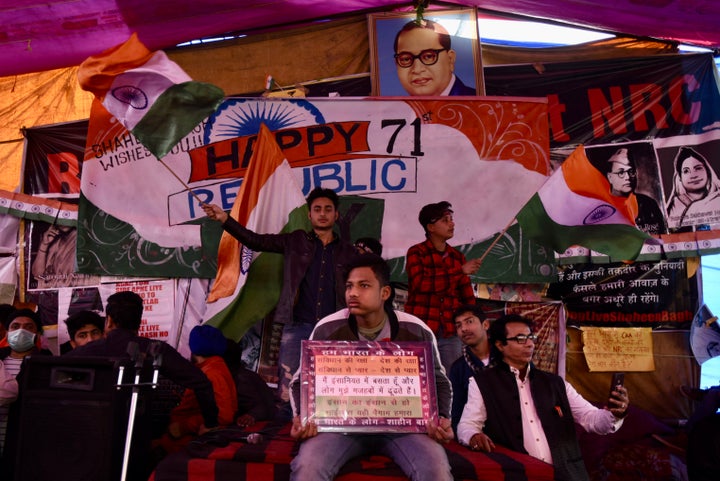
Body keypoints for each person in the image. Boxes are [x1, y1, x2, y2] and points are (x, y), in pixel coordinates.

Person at [288, 254, 454, 481]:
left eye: (364, 286)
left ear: (385, 293)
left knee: (436, 470)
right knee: (307, 467)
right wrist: (301, 417)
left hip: (405, 429)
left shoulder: (416, 330)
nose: (353, 293)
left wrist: (442, 417)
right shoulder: (327, 328)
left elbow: (439, 381)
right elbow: (300, 381)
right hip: (339, 428)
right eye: (349, 286)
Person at [202, 187, 357, 415]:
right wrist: (225, 219)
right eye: (317, 209)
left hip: (334, 328)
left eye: (328, 209)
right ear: (309, 215)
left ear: (336, 215)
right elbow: (254, 241)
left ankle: (325, 436)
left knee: (333, 389)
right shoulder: (295, 241)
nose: (322, 214)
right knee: (287, 393)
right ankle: (285, 443)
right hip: (297, 325)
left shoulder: (349, 252)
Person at [457, 314, 630, 481]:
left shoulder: (555, 384)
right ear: (500, 345)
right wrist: (473, 436)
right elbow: (467, 424)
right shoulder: (483, 383)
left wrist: (616, 414)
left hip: (564, 475)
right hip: (517, 474)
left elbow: (592, 419)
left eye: (531, 337)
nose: (530, 344)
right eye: (520, 339)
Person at [65, 291, 219, 430]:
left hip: (89, 431)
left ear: (109, 321)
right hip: (138, 432)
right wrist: (209, 424)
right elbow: (201, 382)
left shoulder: (81, 353)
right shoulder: (155, 349)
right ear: (139, 322)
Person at [404, 201, 480, 374]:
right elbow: (421, 284)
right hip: (420, 330)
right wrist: (460, 271)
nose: (451, 224)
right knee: (419, 378)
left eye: (451, 219)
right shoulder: (416, 252)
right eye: (445, 220)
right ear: (430, 227)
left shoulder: (457, 256)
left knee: (451, 380)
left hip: (450, 332)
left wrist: (475, 321)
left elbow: (467, 296)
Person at [155, 325, 237, 454]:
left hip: (185, 443)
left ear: (195, 349)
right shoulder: (214, 368)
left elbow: (223, 416)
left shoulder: (212, 373)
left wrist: (184, 427)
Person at [0, 309, 51, 457]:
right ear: (7, 333)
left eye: (29, 327)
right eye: (15, 326)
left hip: (26, 448)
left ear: (37, 334)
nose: (21, 331)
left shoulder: (47, 365)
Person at [393, 19, 475, 97]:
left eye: (428, 56)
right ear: (396, 64)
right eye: (406, 59)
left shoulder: (479, 105)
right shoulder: (393, 110)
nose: (417, 70)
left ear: (450, 59)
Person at [603, 147, 666, 235]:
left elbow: (662, 234)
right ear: (610, 177)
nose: (628, 177)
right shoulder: (602, 208)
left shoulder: (649, 204)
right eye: (621, 173)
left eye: (631, 171)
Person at [448, 304, 490, 434]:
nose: (464, 329)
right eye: (458, 325)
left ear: (485, 325)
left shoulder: (507, 358)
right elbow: (456, 412)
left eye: (469, 322)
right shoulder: (458, 368)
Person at [666, 146, 720, 230]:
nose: (693, 175)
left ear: (708, 171)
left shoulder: (717, 199)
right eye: (686, 171)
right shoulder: (674, 207)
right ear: (679, 177)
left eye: (698, 168)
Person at [30, 224, 78, 289]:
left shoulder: (82, 239)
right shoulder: (53, 238)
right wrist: (44, 245)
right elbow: (38, 275)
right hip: (51, 294)